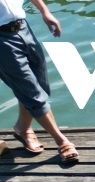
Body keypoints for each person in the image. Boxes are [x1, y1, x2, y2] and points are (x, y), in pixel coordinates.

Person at [0, 0, 77, 162]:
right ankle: (62, 141)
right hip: (2, 40)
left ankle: (22, 127)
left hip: (23, 28)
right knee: (32, 93)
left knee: (40, 85)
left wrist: (45, 11)